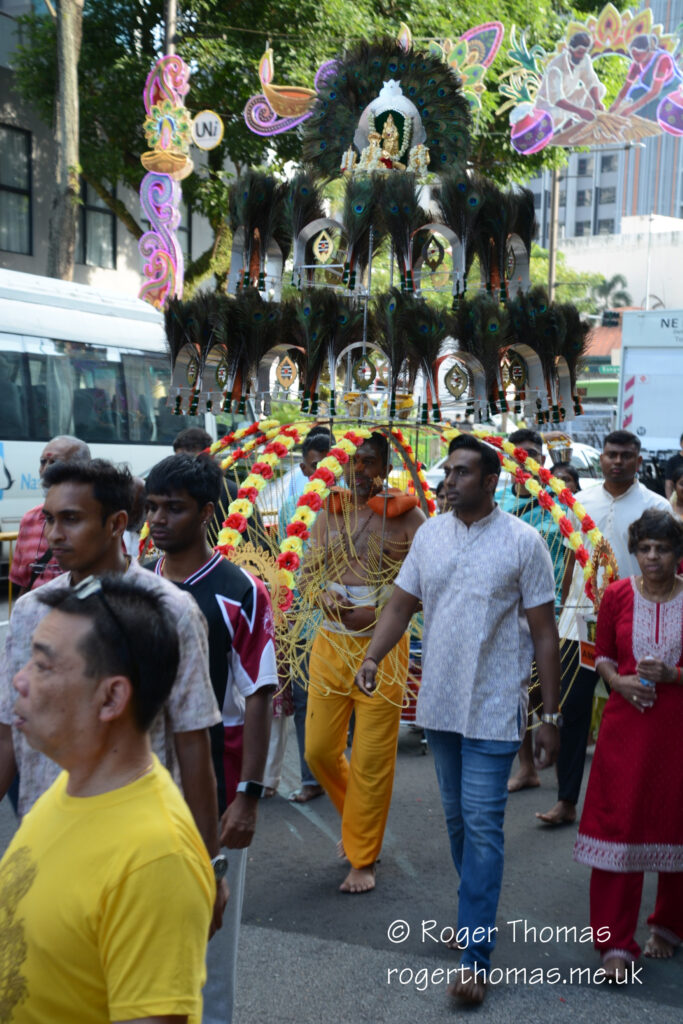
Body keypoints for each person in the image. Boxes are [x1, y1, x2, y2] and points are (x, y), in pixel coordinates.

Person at [356, 434, 561, 1004]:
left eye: (462, 473)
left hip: (496, 706)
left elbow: (544, 634)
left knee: (483, 824)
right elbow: (401, 604)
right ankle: (474, 910)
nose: (448, 481)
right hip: (440, 704)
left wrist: (553, 715)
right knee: (457, 824)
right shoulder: (429, 535)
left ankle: (475, 956)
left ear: (491, 481)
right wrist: (373, 655)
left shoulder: (524, 544)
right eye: (447, 472)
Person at [0, 458, 225, 937]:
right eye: (50, 519)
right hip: (43, 841)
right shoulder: (29, 612)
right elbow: (7, 734)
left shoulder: (171, 612)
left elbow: (192, 743)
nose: (55, 534)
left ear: (116, 523)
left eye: (72, 519)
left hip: (137, 853)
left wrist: (209, 866)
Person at [0, 574, 216, 1022]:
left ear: (111, 697)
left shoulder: (156, 859)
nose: (19, 682)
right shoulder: (70, 786)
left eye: (42, 666)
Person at [144, 453, 276, 1023]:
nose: (158, 520)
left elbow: (259, 694)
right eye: (151, 507)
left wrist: (248, 794)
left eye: (173, 508)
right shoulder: (133, 583)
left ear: (205, 513)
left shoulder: (239, 590)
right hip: (137, 782)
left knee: (208, 937)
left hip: (213, 786)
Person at [302, 431, 426, 892]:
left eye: (368, 462)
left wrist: (381, 612)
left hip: (384, 650)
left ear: (385, 464)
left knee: (372, 760)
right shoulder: (325, 513)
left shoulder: (410, 518)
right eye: (350, 462)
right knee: (317, 751)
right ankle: (358, 821)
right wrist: (322, 594)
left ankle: (363, 857)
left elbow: (424, 587)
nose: (358, 471)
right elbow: (308, 571)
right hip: (330, 646)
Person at [537, 430, 672, 826]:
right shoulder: (578, 503)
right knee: (572, 709)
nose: (617, 462)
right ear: (602, 459)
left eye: (626, 456)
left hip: (635, 623)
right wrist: (559, 612)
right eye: (611, 455)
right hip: (579, 624)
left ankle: (643, 801)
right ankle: (566, 801)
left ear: (637, 459)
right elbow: (567, 563)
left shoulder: (657, 507)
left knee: (638, 710)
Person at [573, 509, 683, 981]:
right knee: (619, 826)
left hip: (676, 731)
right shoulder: (618, 594)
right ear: (635, 553)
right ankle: (613, 941)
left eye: (662, 548)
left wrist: (673, 675)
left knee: (675, 821)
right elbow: (602, 656)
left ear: (678, 554)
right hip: (625, 727)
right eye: (645, 549)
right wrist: (619, 683)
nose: (653, 557)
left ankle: (669, 927)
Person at [267, 427, 332, 803]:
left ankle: (347, 770)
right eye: (312, 469)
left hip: (354, 619)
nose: (318, 477)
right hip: (306, 619)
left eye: (327, 469)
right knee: (306, 698)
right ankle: (312, 778)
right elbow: (284, 563)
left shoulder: (359, 505)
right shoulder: (295, 506)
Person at [502, 430, 564, 794]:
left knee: (552, 692)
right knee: (519, 693)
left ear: (543, 461)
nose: (526, 461)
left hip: (553, 613)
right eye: (518, 454)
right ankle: (526, 767)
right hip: (508, 616)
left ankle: (559, 771)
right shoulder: (492, 499)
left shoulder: (561, 503)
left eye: (533, 455)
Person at [9, 435, 90, 596]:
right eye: (43, 462)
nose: (46, 470)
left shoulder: (98, 519)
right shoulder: (29, 519)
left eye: (54, 463)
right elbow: (22, 584)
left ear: (83, 469)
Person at [536, 31, 606, 131]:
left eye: (584, 52)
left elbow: (591, 81)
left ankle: (575, 120)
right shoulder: (555, 66)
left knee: (600, 89)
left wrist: (597, 102)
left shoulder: (584, 59)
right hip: (549, 106)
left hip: (569, 99)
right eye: (579, 53)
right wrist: (580, 111)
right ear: (570, 50)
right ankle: (566, 124)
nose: (582, 56)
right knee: (554, 117)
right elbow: (556, 99)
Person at [610, 34, 683, 122]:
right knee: (635, 93)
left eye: (638, 55)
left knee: (653, 108)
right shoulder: (637, 64)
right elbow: (627, 85)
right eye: (633, 55)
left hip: (673, 94)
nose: (635, 58)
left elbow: (655, 91)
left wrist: (631, 109)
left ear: (648, 50)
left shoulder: (662, 60)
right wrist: (616, 103)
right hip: (656, 94)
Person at [665, 433, 683, 500]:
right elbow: (669, 483)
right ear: (681, 444)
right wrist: (669, 501)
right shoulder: (672, 461)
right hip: (676, 499)